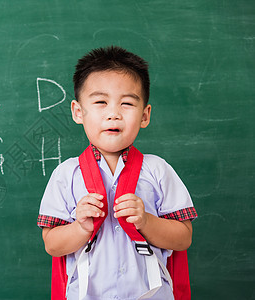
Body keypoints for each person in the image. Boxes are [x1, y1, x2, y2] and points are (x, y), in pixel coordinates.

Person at [37, 46, 197, 299]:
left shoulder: (158, 170)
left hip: (152, 293)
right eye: (100, 102)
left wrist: (146, 221)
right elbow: (52, 245)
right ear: (78, 112)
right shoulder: (65, 174)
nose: (114, 114)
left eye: (127, 103)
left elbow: (183, 239)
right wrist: (80, 228)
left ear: (145, 115)